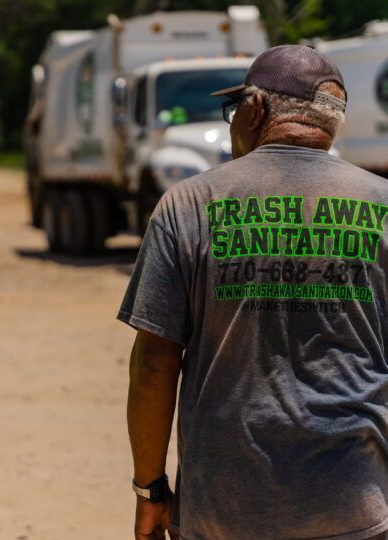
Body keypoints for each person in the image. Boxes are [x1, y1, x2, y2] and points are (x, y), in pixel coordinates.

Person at [119, 44, 388, 540]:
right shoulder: (383, 205)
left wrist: (150, 489)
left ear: (256, 109)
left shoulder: (188, 205)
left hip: (226, 509)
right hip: (354, 501)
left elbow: (155, 362)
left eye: (234, 107)